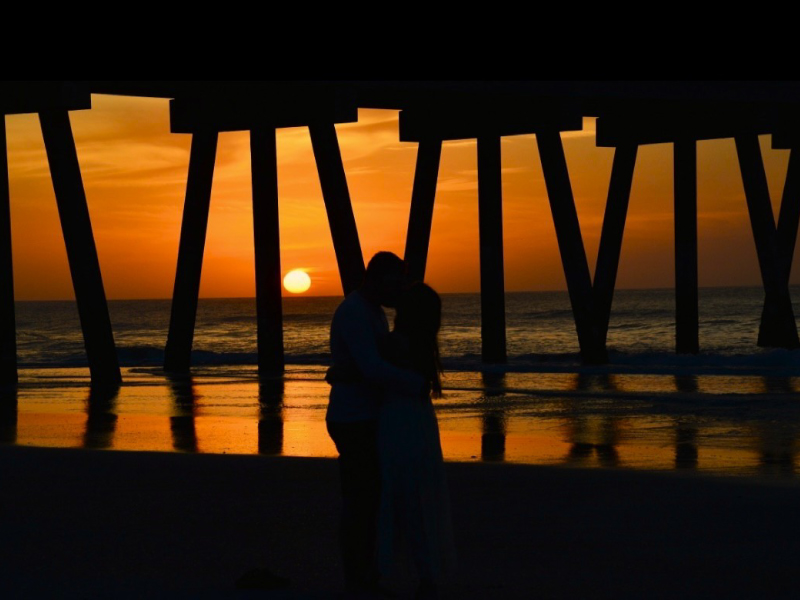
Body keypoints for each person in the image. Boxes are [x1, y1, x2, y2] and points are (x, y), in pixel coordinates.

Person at [326, 252, 427, 598]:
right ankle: (357, 579)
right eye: (394, 284)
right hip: (353, 418)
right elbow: (370, 367)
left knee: (369, 499)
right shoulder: (355, 312)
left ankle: (366, 574)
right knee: (360, 500)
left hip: (365, 415)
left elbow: (367, 364)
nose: (398, 292)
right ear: (377, 279)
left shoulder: (373, 313)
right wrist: (414, 384)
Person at [375, 282, 456, 600]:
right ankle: (426, 572)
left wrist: (340, 371)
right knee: (421, 492)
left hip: (398, 421)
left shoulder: (396, 343)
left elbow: (371, 369)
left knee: (400, 493)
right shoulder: (423, 344)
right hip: (421, 420)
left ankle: (404, 571)